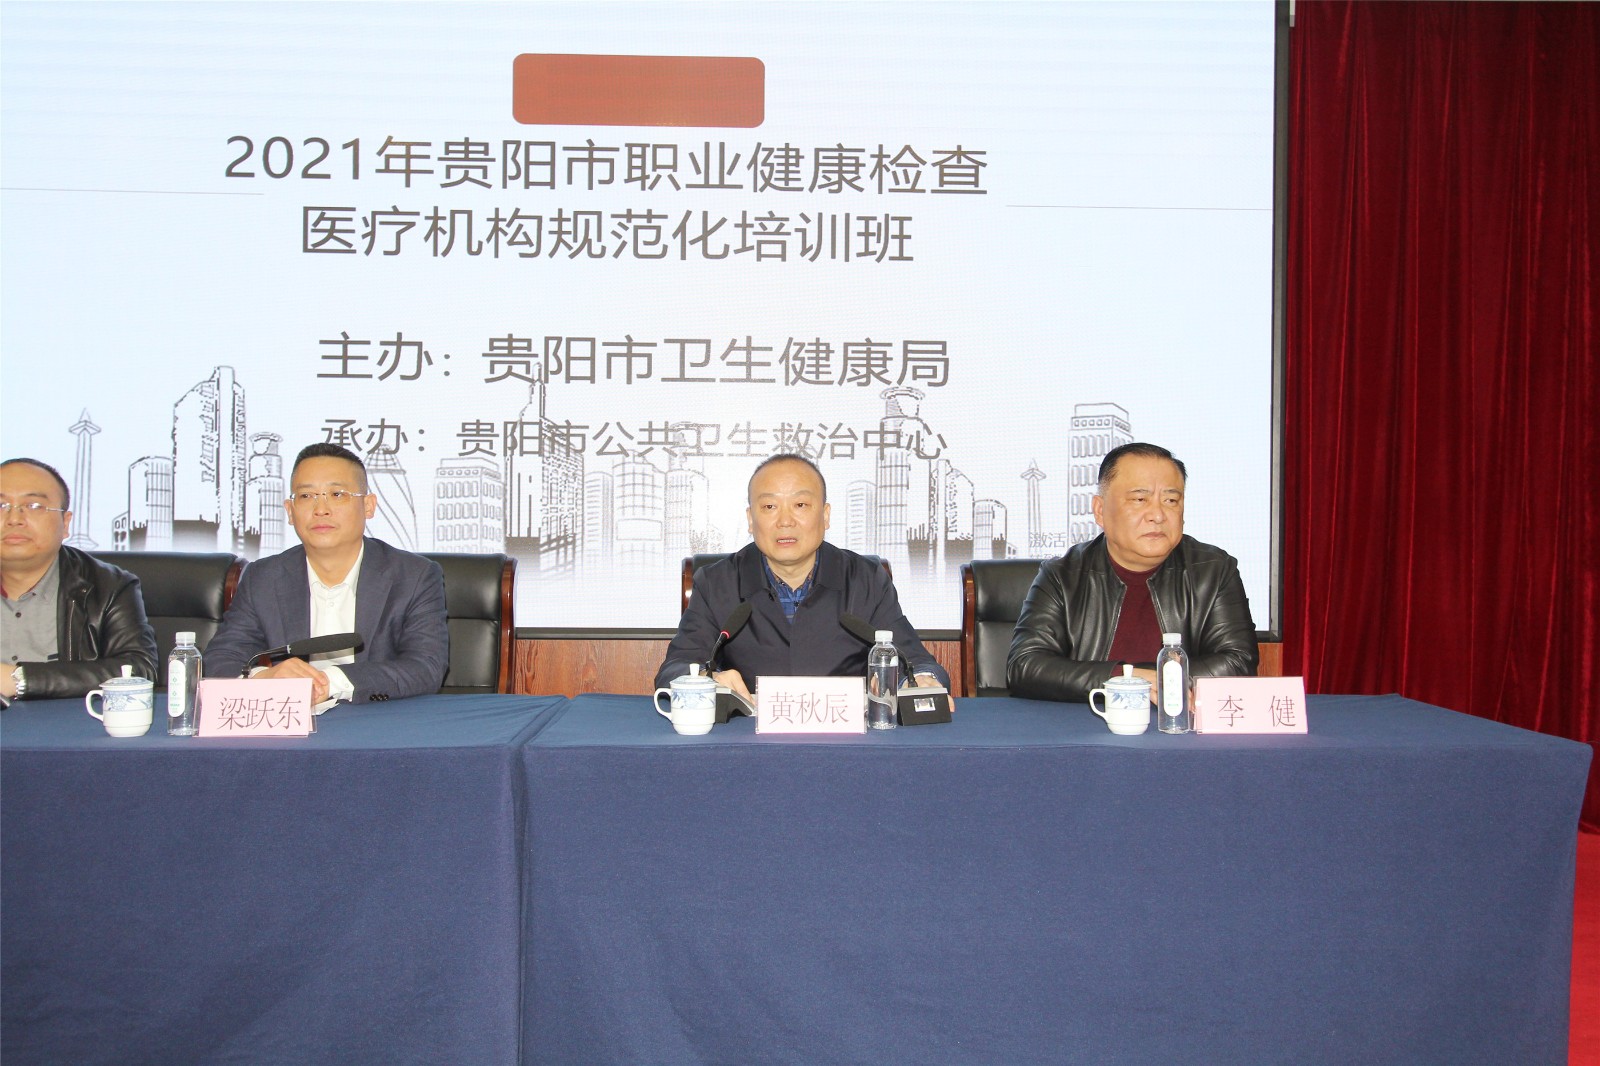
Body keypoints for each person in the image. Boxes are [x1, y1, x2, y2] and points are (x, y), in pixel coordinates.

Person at [655, 453, 949, 700]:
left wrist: (919, 681)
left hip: (845, 736)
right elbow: (675, 668)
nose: (785, 521)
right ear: (750, 519)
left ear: (825, 515)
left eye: (800, 505)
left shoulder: (865, 579)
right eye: (769, 507)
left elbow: (916, 662)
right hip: (747, 735)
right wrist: (706, 680)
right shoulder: (717, 582)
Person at [1007, 442, 1257, 703]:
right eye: (1140, 499)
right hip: (1087, 723)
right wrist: (1126, 679)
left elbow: (1238, 662)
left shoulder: (1213, 570)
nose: (1157, 515)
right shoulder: (1063, 575)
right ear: (1100, 510)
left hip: (1179, 721)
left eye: (1171, 500)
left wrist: (1154, 678)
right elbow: (1025, 666)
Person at [202, 443, 448, 707]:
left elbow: (426, 667)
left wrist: (329, 682)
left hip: (375, 719)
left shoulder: (414, 576)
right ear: (290, 511)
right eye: (306, 496)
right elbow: (220, 659)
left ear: (368, 506)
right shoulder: (263, 577)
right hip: (290, 722)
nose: (321, 509)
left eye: (337, 494)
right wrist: (264, 678)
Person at [1, 458, 158, 703]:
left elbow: (139, 669)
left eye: (33, 506)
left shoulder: (109, 586)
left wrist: (20, 679)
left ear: (65, 523)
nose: (14, 519)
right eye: (1, 505)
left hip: (64, 722)